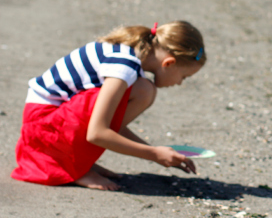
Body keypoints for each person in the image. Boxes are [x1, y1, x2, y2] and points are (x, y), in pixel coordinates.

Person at [12, 21, 206, 191]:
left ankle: (80, 163)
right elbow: (97, 133)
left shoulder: (128, 55)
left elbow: (115, 128)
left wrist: (157, 151)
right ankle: (69, 166)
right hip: (43, 128)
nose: (180, 83)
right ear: (169, 63)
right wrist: (154, 154)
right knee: (144, 90)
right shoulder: (124, 66)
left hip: (48, 124)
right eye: (184, 77)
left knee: (142, 89)